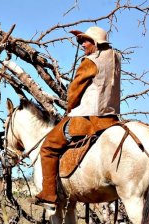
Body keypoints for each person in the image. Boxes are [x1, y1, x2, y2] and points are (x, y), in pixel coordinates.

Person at [29, 26, 122, 209]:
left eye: (84, 41)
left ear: (95, 42)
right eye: (80, 41)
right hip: (111, 118)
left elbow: (74, 91)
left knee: (48, 147)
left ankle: (48, 193)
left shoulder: (90, 61)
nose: (81, 45)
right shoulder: (116, 58)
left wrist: (70, 107)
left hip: (87, 119)